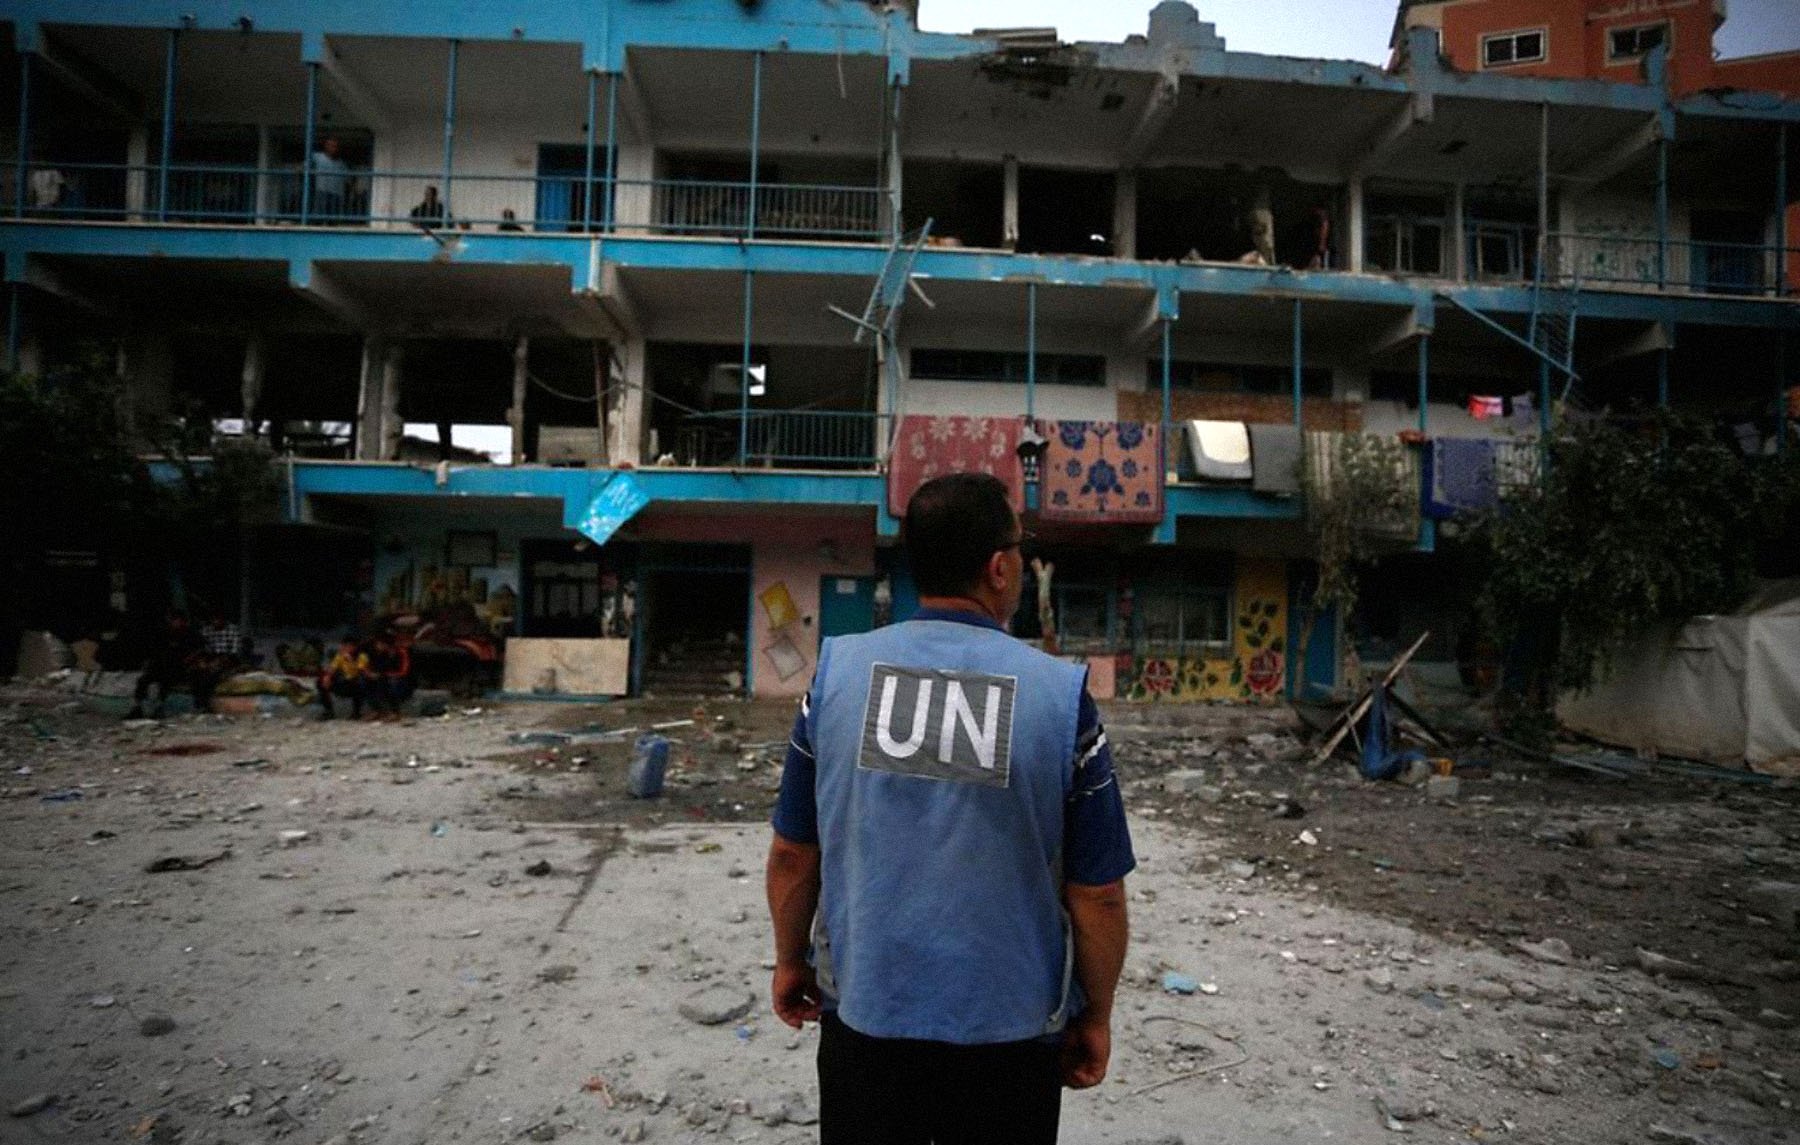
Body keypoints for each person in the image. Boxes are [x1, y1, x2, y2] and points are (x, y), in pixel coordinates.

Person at [765, 472, 1134, 1145]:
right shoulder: (1060, 697)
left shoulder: (836, 676)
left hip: (866, 1017)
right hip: (1010, 1032)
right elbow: (1099, 891)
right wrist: (1097, 1012)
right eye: (1021, 547)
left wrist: (790, 959)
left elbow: (794, 851)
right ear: (999, 567)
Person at [128, 611, 204, 719]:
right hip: (161, 666)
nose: (174, 623)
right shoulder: (164, 633)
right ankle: (137, 707)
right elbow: (155, 650)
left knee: (166, 681)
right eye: (172, 620)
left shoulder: (190, 634)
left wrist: (189, 660)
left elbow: (199, 649)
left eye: (176, 620)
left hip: (180, 667)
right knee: (143, 680)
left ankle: (159, 707)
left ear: (182, 621)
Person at [318, 636, 370, 720]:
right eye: (344, 646)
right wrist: (327, 677)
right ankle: (328, 711)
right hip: (344, 681)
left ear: (354, 647)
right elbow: (333, 668)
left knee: (359, 682)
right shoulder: (340, 656)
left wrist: (351, 660)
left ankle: (356, 712)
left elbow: (361, 670)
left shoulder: (361, 656)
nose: (345, 648)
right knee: (321, 682)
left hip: (356, 681)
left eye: (348, 646)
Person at [367, 632, 415, 717]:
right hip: (386, 678)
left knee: (392, 682)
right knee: (368, 681)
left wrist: (386, 675)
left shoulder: (402, 653)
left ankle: (395, 711)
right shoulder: (380, 654)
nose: (377, 646)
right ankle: (377, 710)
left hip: (403, 681)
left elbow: (404, 671)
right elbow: (377, 669)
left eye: (379, 644)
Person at [309, 136, 348, 221]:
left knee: (333, 219)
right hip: (322, 191)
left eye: (335, 146)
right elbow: (306, 165)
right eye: (330, 145)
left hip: (336, 193)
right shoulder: (317, 157)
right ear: (325, 146)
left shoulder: (341, 163)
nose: (333, 148)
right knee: (318, 217)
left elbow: (347, 178)